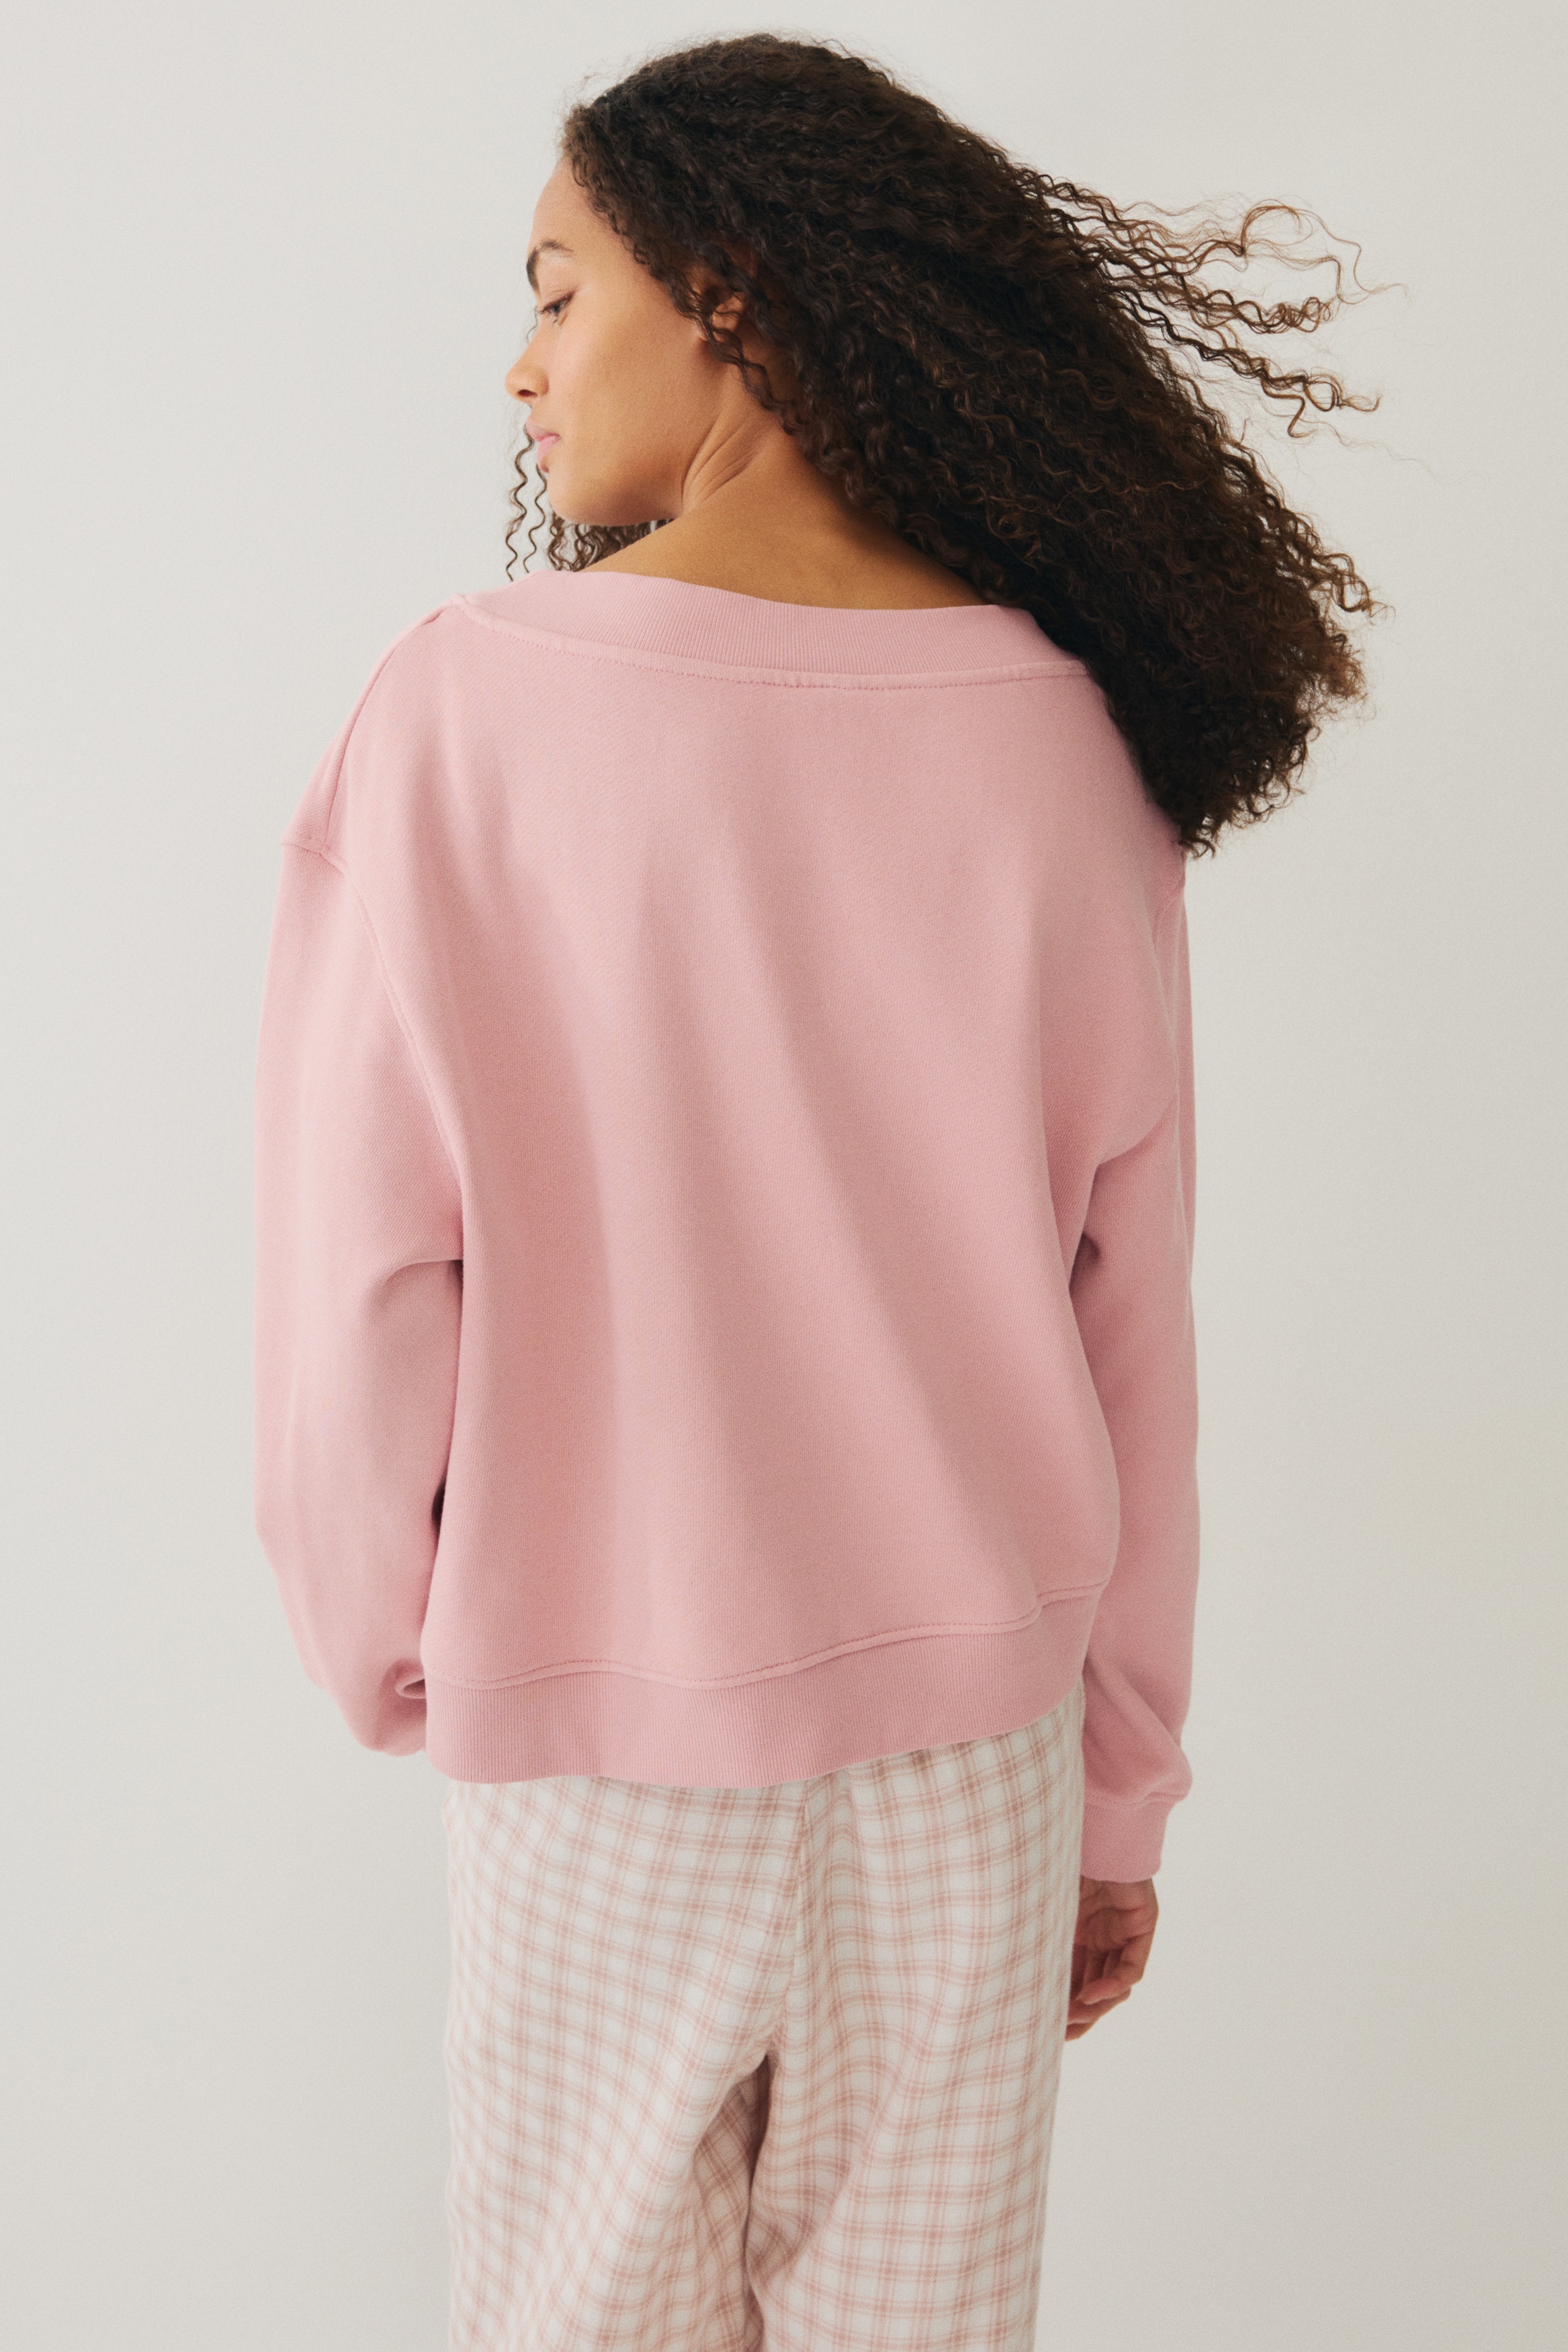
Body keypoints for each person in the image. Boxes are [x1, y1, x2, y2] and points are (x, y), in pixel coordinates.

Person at [253, 32, 1378, 2351]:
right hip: (974, 1766)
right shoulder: (1073, 740)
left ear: (730, 292)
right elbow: (1134, 1324)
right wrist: (1120, 1791)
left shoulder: (462, 711)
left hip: (600, 1749)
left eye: (558, 292)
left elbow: (363, 1268)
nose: (523, 363)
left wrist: (392, 1634)